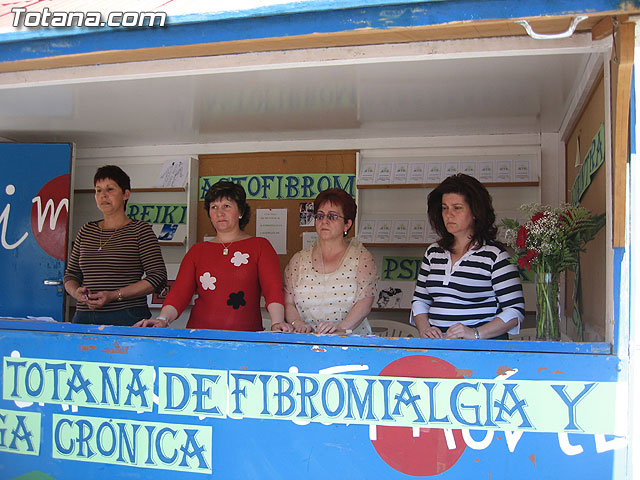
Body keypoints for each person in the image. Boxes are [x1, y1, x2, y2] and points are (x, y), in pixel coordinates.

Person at [135, 180, 289, 332]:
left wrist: (277, 322)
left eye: (226, 206)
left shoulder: (260, 246)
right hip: (199, 337)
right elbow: (179, 293)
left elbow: (273, 289)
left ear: (241, 211)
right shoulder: (197, 251)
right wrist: (162, 319)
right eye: (214, 207)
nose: (219, 213)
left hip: (246, 338)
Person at [412, 173, 525, 340]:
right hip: (437, 349)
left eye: (457, 208)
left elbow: (515, 311)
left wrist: (474, 333)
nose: (448, 214)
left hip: (481, 352)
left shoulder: (495, 256)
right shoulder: (433, 252)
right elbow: (420, 301)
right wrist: (425, 329)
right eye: (444, 208)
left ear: (475, 212)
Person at [64, 165, 167, 326]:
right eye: (98, 190)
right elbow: (71, 274)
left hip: (126, 315)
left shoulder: (140, 230)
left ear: (126, 194)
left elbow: (157, 277)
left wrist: (114, 295)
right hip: (84, 316)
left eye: (110, 189)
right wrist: (76, 292)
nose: (103, 195)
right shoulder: (86, 230)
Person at [283, 188, 376, 335]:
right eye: (320, 216)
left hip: (350, 344)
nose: (324, 221)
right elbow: (288, 302)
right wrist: (297, 323)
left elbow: (365, 302)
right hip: (307, 343)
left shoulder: (361, 258)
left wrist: (341, 329)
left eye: (332, 216)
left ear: (347, 224)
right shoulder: (298, 260)